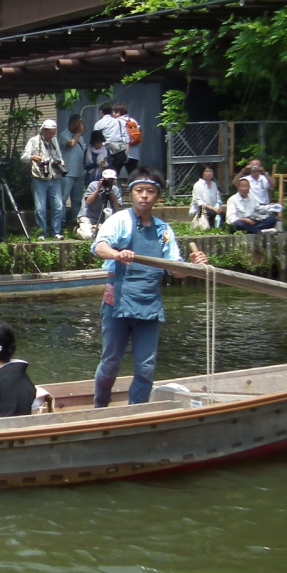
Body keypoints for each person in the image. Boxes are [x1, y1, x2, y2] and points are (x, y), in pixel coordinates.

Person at [92, 167, 209, 408]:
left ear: (158, 196)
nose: (144, 196)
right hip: (117, 302)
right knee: (111, 362)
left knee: (146, 366)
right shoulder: (119, 221)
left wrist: (193, 266)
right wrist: (117, 254)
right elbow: (100, 247)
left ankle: (138, 410)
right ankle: (100, 405)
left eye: (150, 191)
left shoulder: (164, 231)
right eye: (139, 190)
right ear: (131, 193)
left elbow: (176, 270)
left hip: (148, 305)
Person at [22, 119, 66, 239]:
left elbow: (59, 156)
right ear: (44, 130)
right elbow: (23, 157)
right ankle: (42, 232)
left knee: (58, 206)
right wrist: (32, 157)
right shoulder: (33, 140)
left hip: (54, 177)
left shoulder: (54, 141)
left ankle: (56, 232)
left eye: (54, 132)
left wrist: (61, 163)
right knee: (40, 208)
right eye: (50, 133)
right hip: (39, 178)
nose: (52, 135)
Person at [78, 167, 124, 239]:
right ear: (102, 178)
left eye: (111, 180)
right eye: (107, 180)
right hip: (88, 216)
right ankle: (78, 230)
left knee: (111, 236)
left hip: (104, 219)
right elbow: (88, 202)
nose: (109, 182)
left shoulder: (115, 189)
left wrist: (111, 195)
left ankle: (95, 229)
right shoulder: (93, 185)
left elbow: (118, 207)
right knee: (88, 236)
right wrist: (98, 189)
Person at [58, 114, 87, 226]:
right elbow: (71, 144)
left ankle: (75, 221)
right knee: (63, 199)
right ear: (72, 125)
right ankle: (62, 222)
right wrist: (78, 133)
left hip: (79, 172)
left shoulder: (80, 137)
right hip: (67, 173)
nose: (82, 126)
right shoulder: (64, 135)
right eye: (79, 124)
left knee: (77, 200)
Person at [189, 164, 225, 229]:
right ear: (202, 173)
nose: (208, 173)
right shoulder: (197, 185)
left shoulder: (213, 184)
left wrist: (218, 208)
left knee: (222, 214)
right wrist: (213, 208)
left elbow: (217, 199)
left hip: (213, 209)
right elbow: (199, 203)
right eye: (206, 171)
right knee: (212, 214)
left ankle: (217, 227)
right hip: (200, 210)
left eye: (210, 171)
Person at [95, 102, 128, 172]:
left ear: (101, 112)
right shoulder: (119, 122)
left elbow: (96, 140)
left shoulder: (99, 124)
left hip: (106, 152)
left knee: (106, 173)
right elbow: (125, 138)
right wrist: (126, 153)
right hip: (119, 152)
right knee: (115, 173)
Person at [112, 102, 141, 175]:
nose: (112, 114)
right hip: (134, 154)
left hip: (119, 153)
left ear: (118, 113)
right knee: (133, 175)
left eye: (113, 112)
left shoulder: (116, 122)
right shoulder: (133, 121)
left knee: (114, 175)